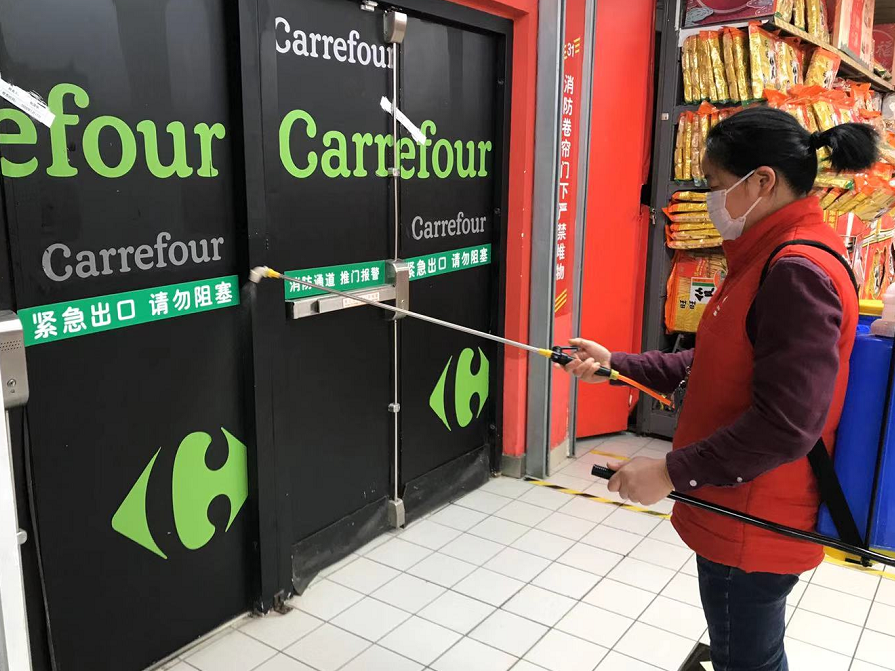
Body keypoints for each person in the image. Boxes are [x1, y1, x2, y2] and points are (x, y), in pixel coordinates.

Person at [563, 106, 877, 671]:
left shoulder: (795, 271)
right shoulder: (771, 255)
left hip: (754, 517)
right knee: (748, 652)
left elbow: (786, 424)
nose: (709, 198)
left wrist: (669, 471)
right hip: (739, 503)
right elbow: (718, 360)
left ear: (762, 181)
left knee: (749, 661)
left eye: (714, 183)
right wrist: (618, 365)